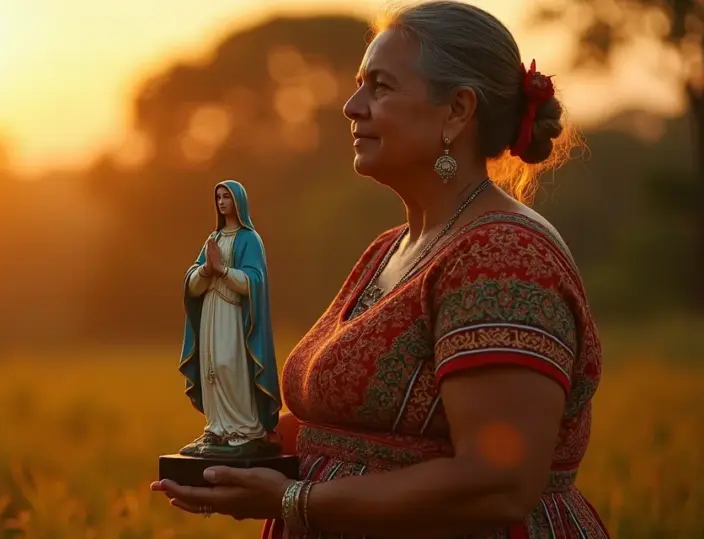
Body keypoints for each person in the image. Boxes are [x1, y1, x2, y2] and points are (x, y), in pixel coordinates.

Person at [151, 1, 610, 537]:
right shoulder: (391, 249)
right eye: (358, 84)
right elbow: (353, 427)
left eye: (381, 86)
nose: (351, 106)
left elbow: (499, 482)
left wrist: (295, 499)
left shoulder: (504, 258)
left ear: (457, 111)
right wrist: (237, 452)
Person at [177, 179, 282, 459]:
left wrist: (222, 270)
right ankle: (217, 427)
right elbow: (192, 280)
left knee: (229, 365)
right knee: (210, 368)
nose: (222, 202)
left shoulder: (249, 239)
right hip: (211, 311)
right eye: (219, 197)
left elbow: (254, 281)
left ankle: (245, 430)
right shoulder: (215, 239)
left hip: (234, 315)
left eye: (227, 197)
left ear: (239, 202)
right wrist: (206, 271)